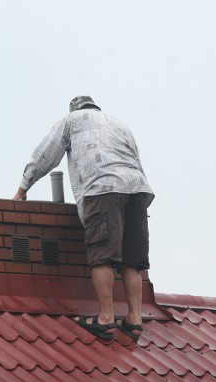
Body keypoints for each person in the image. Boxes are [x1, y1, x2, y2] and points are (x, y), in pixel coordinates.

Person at [13, 96, 154, 342]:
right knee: (133, 261)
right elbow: (137, 162)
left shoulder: (71, 120)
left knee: (103, 255)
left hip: (103, 188)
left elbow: (45, 155)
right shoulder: (119, 124)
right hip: (137, 189)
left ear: (74, 109)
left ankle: (106, 318)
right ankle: (134, 319)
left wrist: (23, 189)